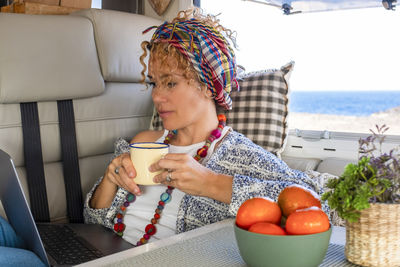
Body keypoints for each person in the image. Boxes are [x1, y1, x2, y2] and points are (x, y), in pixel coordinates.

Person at [84, 9, 327, 246]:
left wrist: (210, 182)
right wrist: (109, 179)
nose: (157, 96)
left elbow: (317, 204)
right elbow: (92, 223)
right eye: (154, 83)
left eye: (170, 83)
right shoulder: (144, 141)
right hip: (103, 254)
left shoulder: (243, 156)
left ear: (209, 85)